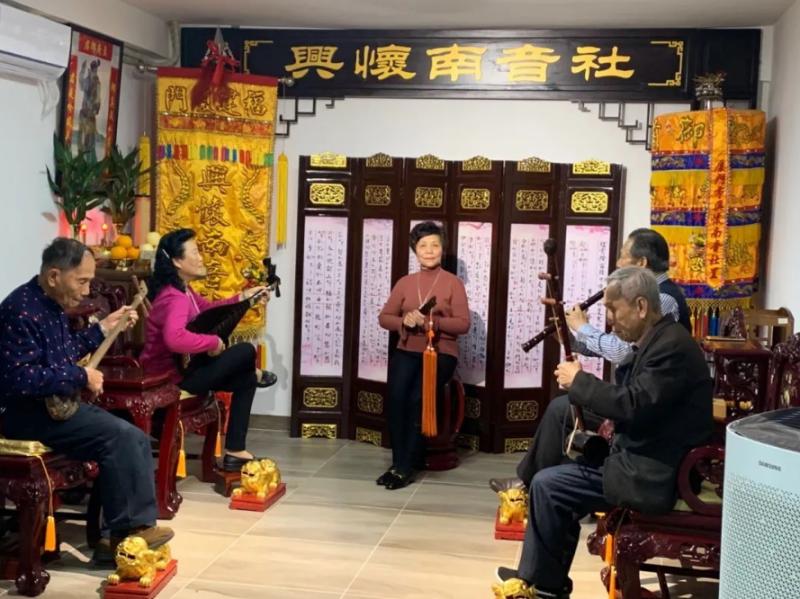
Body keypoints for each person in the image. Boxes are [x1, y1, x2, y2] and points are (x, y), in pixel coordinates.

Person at [495, 266, 712, 598]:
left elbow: (633, 404)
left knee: (550, 485)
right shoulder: (661, 338)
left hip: (653, 472)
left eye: (613, 309)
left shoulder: (671, 348)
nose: (609, 319)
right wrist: (580, 386)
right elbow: (637, 401)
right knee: (561, 429)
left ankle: (543, 585)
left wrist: (580, 382)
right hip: (644, 450)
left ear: (641, 306)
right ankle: (541, 576)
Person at [0, 238, 173, 562]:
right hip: (28, 414)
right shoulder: (20, 310)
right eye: (81, 281)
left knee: (127, 433)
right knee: (122, 437)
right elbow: (19, 379)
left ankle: (115, 535)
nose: (87, 290)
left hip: (52, 407)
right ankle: (128, 531)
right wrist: (81, 377)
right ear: (54, 276)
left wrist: (103, 329)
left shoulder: (50, 303)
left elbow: (63, 355)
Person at [489, 227, 692, 493]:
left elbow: (622, 352)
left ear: (641, 263)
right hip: (638, 398)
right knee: (561, 408)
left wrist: (582, 327)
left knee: (563, 408)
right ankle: (537, 483)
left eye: (623, 255)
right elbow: (624, 345)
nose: (618, 262)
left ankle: (544, 485)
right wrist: (571, 340)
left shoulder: (663, 298)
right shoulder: (653, 295)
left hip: (649, 412)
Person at [138, 228, 276, 472]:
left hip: (187, 370)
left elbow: (210, 311)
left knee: (245, 379)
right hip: (171, 380)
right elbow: (174, 338)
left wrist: (244, 298)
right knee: (245, 351)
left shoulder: (185, 291)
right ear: (177, 261)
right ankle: (255, 374)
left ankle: (235, 451)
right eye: (195, 252)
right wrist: (212, 343)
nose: (201, 257)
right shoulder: (174, 297)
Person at [377, 221, 470, 490]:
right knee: (396, 397)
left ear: (442, 249)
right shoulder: (405, 283)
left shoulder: (453, 283)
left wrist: (432, 323)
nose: (429, 251)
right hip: (408, 349)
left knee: (418, 398)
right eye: (423, 245)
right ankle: (397, 463)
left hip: (440, 353)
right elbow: (384, 317)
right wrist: (403, 321)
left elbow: (463, 324)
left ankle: (406, 467)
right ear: (414, 250)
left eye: (435, 245)